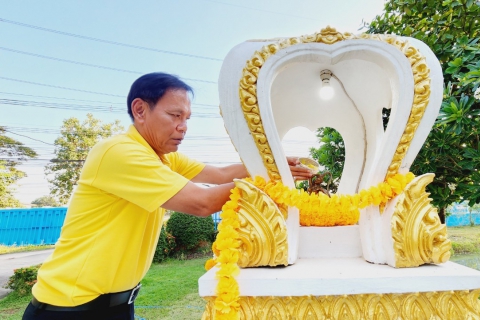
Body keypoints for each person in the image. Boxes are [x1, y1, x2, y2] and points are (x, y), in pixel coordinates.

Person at [23, 72, 312, 320]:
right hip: (68, 309)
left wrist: (277, 164)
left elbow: (222, 174)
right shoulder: (120, 152)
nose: (183, 126)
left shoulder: (163, 158)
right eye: (175, 115)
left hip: (118, 305)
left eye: (187, 118)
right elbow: (203, 202)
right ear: (140, 110)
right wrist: (270, 182)